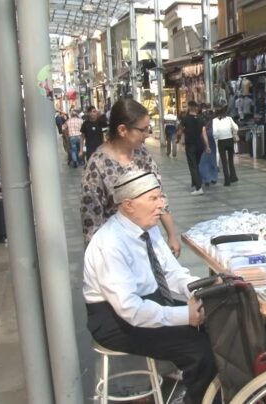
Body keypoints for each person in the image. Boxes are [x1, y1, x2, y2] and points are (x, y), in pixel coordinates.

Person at [84, 170, 216, 404]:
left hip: (148, 301)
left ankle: (210, 393)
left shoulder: (149, 228)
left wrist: (197, 291)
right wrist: (185, 315)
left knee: (216, 325)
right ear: (128, 205)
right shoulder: (111, 243)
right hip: (114, 319)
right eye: (153, 199)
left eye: (161, 197)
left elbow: (171, 272)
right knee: (199, 350)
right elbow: (130, 310)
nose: (162, 205)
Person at [80, 98, 182, 257]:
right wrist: (100, 260)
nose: (147, 135)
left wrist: (171, 235)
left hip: (149, 242)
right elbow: (92, 221)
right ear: (122, 130)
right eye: (143, 130)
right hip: (118, 250)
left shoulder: (142, 154)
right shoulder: (97, 166)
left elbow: (159, 195)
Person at [177, 102, 209, 195]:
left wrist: (178, 139)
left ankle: (198, 188)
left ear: (189, 108)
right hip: (200, 145)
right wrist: (207, 146)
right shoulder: (200, 118)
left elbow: (179, 132)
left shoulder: (185, 119)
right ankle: (195, 182)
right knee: (197, 164)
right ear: (196, 108)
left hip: (190, 145)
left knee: (193, 165)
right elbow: (204, 133)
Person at [212, 107, 239, 186]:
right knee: (230, 160)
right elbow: (236, 128)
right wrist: (232, 132)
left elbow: (214, 133)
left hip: (221, 141)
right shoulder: (229, 119)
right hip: (230, 140)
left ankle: (227, 181)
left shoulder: (215, 120)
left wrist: (218, 136)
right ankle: (233, 177)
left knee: (224, 162)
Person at [199, 112, 219, 187]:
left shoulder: (204, 127)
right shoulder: (213, 126)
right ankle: (213, 178)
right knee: (212, 161)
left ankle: (206, 179)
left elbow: (204, 136)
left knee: (203, 163)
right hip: (212, 145)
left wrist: (207, 146)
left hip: (206, 145)